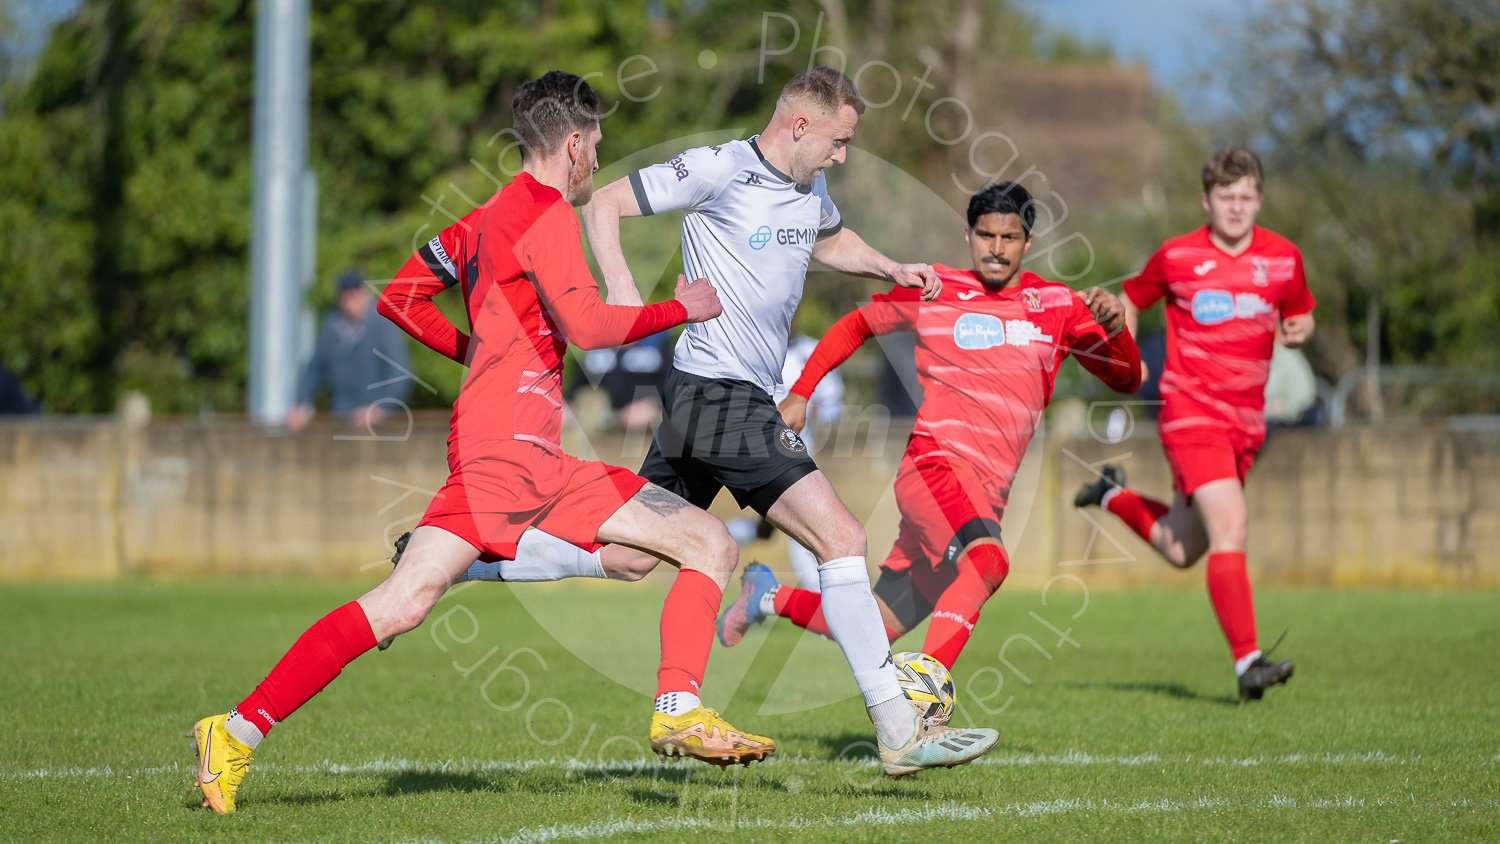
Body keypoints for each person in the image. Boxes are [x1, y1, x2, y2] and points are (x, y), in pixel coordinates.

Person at [188, 71, 760, 815]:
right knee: (698, 545)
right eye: (598, 148)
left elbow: (400, 296)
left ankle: (233, 733)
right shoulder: (549, 215)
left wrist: (479, 351)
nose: (597, 162)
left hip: (521, 452)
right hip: (508, 454)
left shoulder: (483, 219)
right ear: (578, 145)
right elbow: (589, 329)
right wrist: (678, 307)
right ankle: (677, 709)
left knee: (655, 551)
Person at [466, 67, 1000, 778]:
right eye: (839, 141)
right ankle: (898, 730)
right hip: (723, 397)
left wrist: (889, 267)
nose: (843, 155)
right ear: (800, 125)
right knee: (840, 536)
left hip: (700, 398)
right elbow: (605, 205)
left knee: (629, 557)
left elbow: (827, 238)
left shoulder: (809, 186)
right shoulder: (719, 168)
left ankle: (471, 559)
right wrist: (623, 293)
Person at [715, 181, 1142, 671]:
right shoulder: (936, 288)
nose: (996, 249)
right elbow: (858, 324)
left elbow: (1126, 379)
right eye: (985, 235)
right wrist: (801, 393)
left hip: (985, 496)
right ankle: (925, 699)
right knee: (988, 563)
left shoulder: (1059, 305)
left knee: (874, 623)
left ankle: (766, 595)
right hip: (934, 470)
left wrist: (1116, 331)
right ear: (968, 236)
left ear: (1029, 242)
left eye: (1009, 238)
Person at [1072, 146, 1315, 701]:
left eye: (1246, 197)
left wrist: (1301, 328)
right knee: (1232, 525)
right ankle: (1248, 660)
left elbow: (1301, 312)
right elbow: (1131, 298)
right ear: (1206, 200)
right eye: (1225, 198)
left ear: (1260, 199)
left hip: (1247, 423)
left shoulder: (1283, 257)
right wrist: (1125, 354)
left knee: (1182, 548)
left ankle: (1110, 496)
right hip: (1190, 413)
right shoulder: (1178, 255)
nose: (1236, 208)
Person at [286, 269, 412, 431]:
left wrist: (380, 408)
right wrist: (300, 402)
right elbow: (314, 369)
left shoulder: (382, 325)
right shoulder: (332, 327)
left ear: (366, 294)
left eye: (355, 294)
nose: (351, 301)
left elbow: (399, 373)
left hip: (378, 423)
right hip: (340, 416)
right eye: (346, 296)